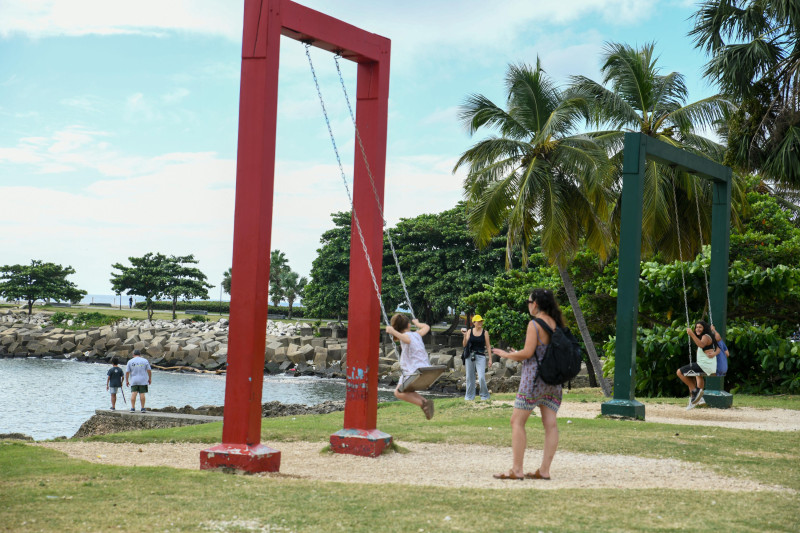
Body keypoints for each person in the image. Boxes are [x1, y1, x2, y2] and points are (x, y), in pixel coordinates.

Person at [491, 288, 563, 481]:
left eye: (528, 302)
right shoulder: (555, 322)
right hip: (553, 381)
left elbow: (528, 353)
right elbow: (540, 351)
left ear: (536, 304)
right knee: (550, 424)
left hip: (534, 381)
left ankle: (517, 469)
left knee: (517, 421)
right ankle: (545, 470)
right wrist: (520, 352)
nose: (528, 305)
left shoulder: (535, 324)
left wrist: (507, 355)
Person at [385, 314, 434, 420]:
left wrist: (392, 331)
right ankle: (425, 403)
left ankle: (423, 403)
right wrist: (417, 323)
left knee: (398, 392)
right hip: (425, 368)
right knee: (408, 391)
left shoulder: (406, 337)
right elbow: (426, 327)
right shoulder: (417, 334)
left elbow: (406, 339)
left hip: (414, 370)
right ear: (408, 325)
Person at [677, 320, 719, 409]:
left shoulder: (705, 337)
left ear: (704, 328)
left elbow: (701, 345)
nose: (697, 329)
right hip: (707, 365)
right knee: (692, 376)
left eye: (700, 327)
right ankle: (696, 399)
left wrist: (691, 334)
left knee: (679, 372)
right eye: (696, 327)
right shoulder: (708, 336)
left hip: (704, 365)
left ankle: (696, 392)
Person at [461, 314, 493, 401]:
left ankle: (484, 396)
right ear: (474, 322)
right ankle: (469, 397)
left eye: (481, 321)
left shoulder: (485, 332)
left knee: (482, 377)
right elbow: (464, 345)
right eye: (478, 321)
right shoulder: (469, 331)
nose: (480, 322)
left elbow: (488, 346)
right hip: (470, 356)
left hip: (481, 356)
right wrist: (464, 335)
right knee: (469, 377)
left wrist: (490, 359)